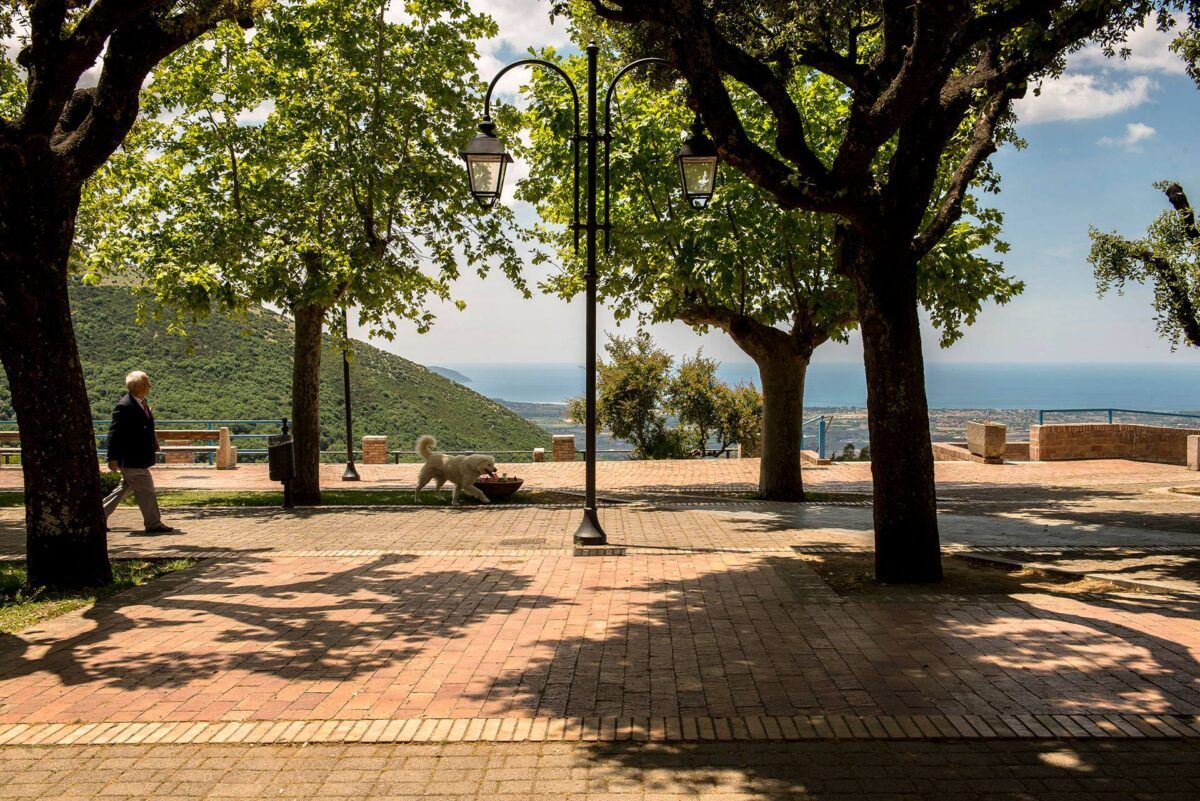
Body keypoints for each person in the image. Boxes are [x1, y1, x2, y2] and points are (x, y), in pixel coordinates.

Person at [102, 370, 174, 533]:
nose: (150, 386)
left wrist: (154, 442)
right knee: (147, 490)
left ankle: (97, 516)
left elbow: (148, 426)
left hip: (138, 458)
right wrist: (112, 457)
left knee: (123, 489)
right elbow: (115, 433)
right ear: (139, 386)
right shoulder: (124, 406)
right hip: (132, 459)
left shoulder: (141, 402)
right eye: (147, 383)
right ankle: (153, 523)